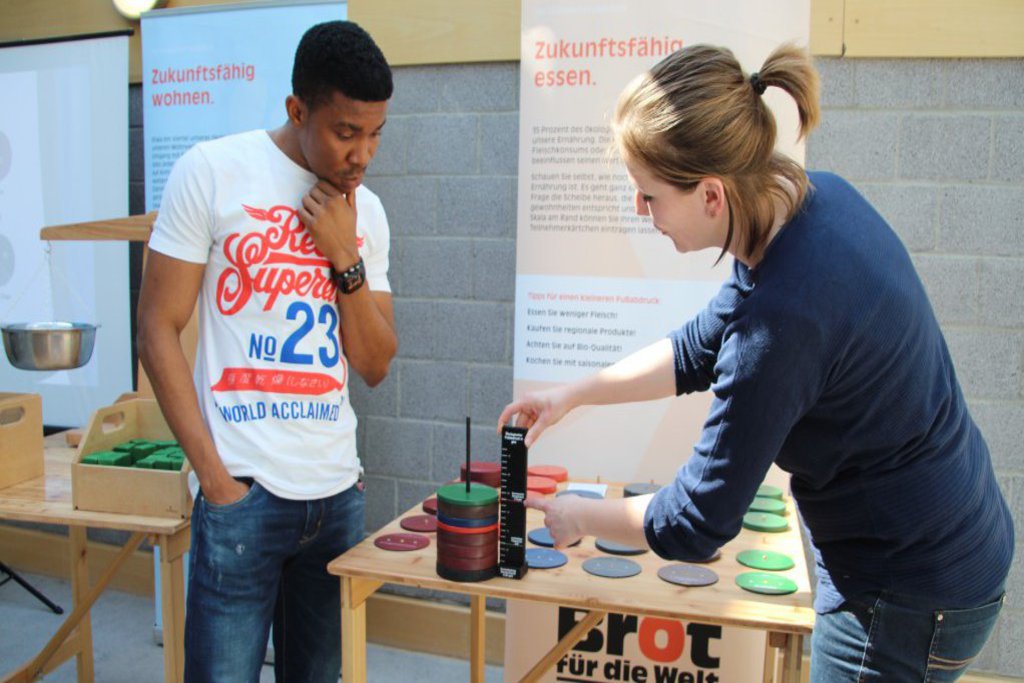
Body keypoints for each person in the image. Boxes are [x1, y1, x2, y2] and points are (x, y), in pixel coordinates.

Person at [498, 43, 1013, 682]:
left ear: (711, 194)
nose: (641, 212)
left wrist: (580, 515)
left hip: (908, 588)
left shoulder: (783, 320)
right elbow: (699, 347)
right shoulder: (812, 203)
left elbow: (698, 520)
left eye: (649, 195)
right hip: (940, 539)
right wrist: (571, 395)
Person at [137, 20, 397, 682]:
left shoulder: (367, 213)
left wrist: (346, 254)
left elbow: (374, 362)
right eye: (346, 132)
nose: (362, 154)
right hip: (243, 492)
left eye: (375, 134)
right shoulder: (213, 171)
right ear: (297, 109)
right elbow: (156, 327)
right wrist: (214, 480)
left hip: (336, 492)